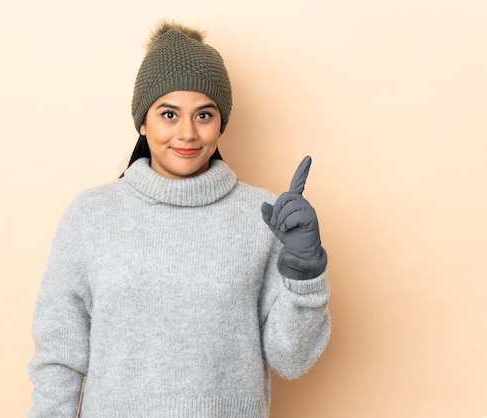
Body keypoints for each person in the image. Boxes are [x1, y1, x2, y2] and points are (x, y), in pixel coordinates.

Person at [28, 20, 330, 418]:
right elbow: (58, 360)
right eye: (169, 114)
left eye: (204, 115)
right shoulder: (91, 216)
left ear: (221, 121)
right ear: (142, 121)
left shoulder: (265, 218)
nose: (187, 133)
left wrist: (304, 271)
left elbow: (290, 359)